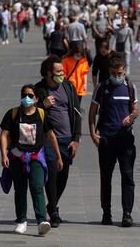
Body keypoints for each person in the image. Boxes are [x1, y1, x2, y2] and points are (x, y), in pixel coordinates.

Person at [0, 84, 63, 235]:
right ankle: (22, 220)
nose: (26, 98)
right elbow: (3, 135)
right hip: (17, 157)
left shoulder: (41, 114)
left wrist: (58, 156)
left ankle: (42, 220)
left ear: (36, 99)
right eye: (24, 95)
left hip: (36, 157)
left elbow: (51, 136)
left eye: (30, 96)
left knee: (36, 187)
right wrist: (3, 154)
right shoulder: (13, 113)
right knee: (20, 189)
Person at [88, 55, 138, 227]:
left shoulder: (130, 87)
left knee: (128, 176)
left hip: (125, 140)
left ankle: (127, 213)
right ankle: (106, 212)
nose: (118, 76)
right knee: (106, 178)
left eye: (121, 73)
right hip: (106, 139)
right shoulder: (102, 88)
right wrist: (93, 134)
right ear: (109, 71)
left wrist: (131, 117)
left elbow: (135, 109)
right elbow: (92, 111)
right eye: (115, 73)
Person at [35, 55, 82, 228]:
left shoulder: (68, 87)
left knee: (64, 176)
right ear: (48, 73)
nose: (62, 73)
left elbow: (77, 114)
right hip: (48, 139)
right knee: (53, 174)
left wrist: (76, 139)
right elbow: (29, 111)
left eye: (62, 70)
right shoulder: (39, 89)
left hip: (67, 139)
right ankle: (54, 212)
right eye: (58, 71)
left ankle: (51, 204)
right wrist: (42, 106)